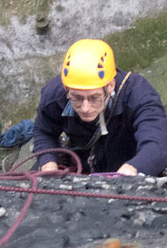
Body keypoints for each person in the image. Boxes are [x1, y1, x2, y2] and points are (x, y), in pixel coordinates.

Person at [33, 38, 167, 176]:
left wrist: (133, 169)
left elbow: (158, 143)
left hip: (129, 161)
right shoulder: (54, 96)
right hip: (83, 163)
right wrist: (48, 163)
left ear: (110, 85)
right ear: (66, 87)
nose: (85, 108)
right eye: (77, 98)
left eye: (94, 98)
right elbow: (44, 131)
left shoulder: (138, 94)